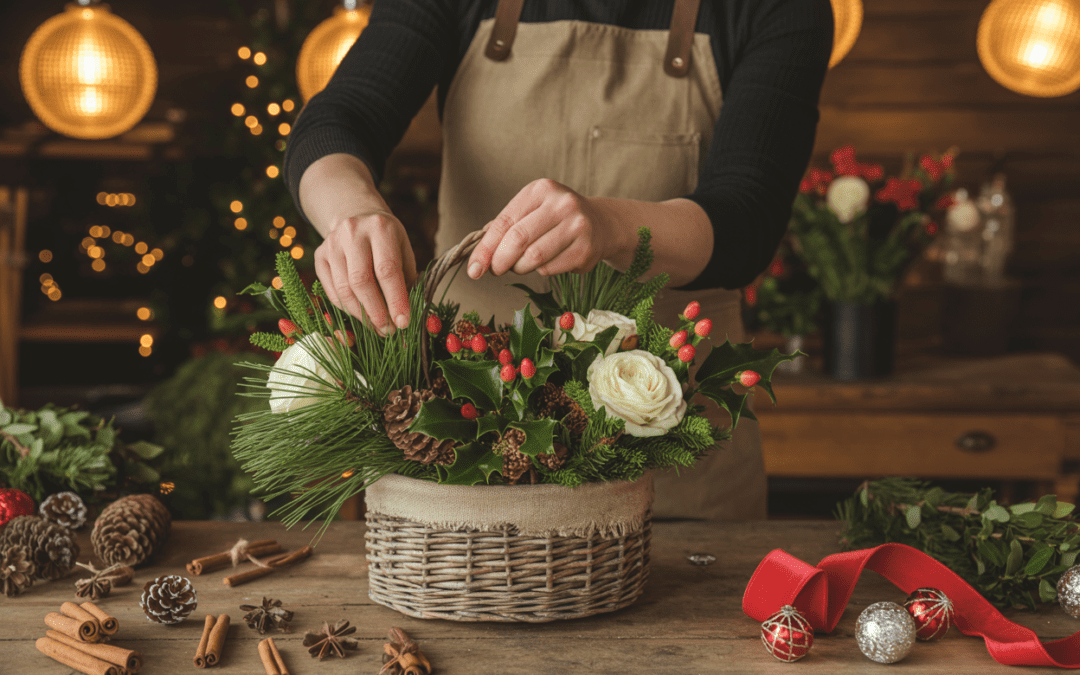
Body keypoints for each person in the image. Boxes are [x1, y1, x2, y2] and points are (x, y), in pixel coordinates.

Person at [284, 0, 833, 520]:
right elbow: (338, 118)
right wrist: (351, 214)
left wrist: (613, 226)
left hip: (672, 470)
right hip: (464, 452)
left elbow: (747, 219)